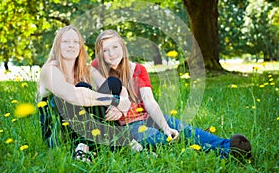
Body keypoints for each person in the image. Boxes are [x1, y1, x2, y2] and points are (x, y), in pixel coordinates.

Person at [91, 29, 251, 160]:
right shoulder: (97, 68)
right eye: (105, 50)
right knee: (160, 139)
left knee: (185, 129)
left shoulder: (138, 69)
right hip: (127, 126)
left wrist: (166, 127)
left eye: (115, 47)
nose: (111, 54)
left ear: (122, 48)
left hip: (147, 116)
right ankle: (216, 154)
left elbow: (149, 100)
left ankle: (230, 147)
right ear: (100, 54)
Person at [37, 26, 142, 161]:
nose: (71, 45)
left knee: (112, 82)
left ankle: (88, 145)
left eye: (75, 42)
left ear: (80, 46)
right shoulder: (50, 70)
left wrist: (121, 105)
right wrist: (114, 101)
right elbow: (72, 96)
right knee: (82, 88)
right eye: (66, 41)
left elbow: (118, 87)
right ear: (57, 45)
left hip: (86, 128)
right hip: (59, 134)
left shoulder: (86, 70)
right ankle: (124, 142)